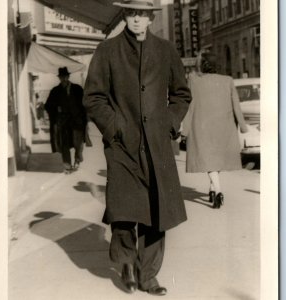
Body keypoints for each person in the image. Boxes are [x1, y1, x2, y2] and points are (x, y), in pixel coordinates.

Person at [83, 0, 192, 296]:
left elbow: (181, 94)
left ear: (151, 17)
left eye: (142, 15)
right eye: (131, 14)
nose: (136, 20)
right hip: (121, 145)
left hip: (157, 145)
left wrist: (169, 123)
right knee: (124, 210)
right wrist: (115, 127)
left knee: (158, 212)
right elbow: (93, 97)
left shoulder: (166, 50)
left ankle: (149, 275)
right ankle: (126, 263)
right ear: (124, 16)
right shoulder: (107, 51)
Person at [183, 52, 248, 208]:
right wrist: (243, 127)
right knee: (215, 159)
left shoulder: (193, 81)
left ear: (202, 65)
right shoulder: (228, 80)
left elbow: (189, 107)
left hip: (202, 127)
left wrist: (184, 130)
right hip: (223, 127)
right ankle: (214, 188)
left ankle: (216, 190)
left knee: (208, 159)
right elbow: (236, 105)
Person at [45, 67, 86, 173]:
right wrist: (56, 110)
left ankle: (77, 161)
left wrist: (84, 117)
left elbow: (85, 104)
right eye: (61, 77)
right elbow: (48, 106)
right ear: (59, 78)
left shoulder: (77, 89)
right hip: (63, 123)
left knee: (78, 143)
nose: (63, 79)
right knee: (65, 144)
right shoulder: (55, 91)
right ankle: (67, 165)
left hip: (77, 122)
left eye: (65, 77)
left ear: (68, 77)